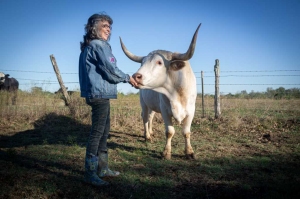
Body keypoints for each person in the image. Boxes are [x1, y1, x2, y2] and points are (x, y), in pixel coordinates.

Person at [79, 12, 138, 186]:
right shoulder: (99, 46)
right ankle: (90, 173)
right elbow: (111, 70)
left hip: (97, 94)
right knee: (97, 134)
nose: (108, 29)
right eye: (104, 26)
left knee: (104, 133)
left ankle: (103, 168)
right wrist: (128, 78)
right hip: (100, 95)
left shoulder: (88, 47)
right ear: (93, 28)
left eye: (110, 27)